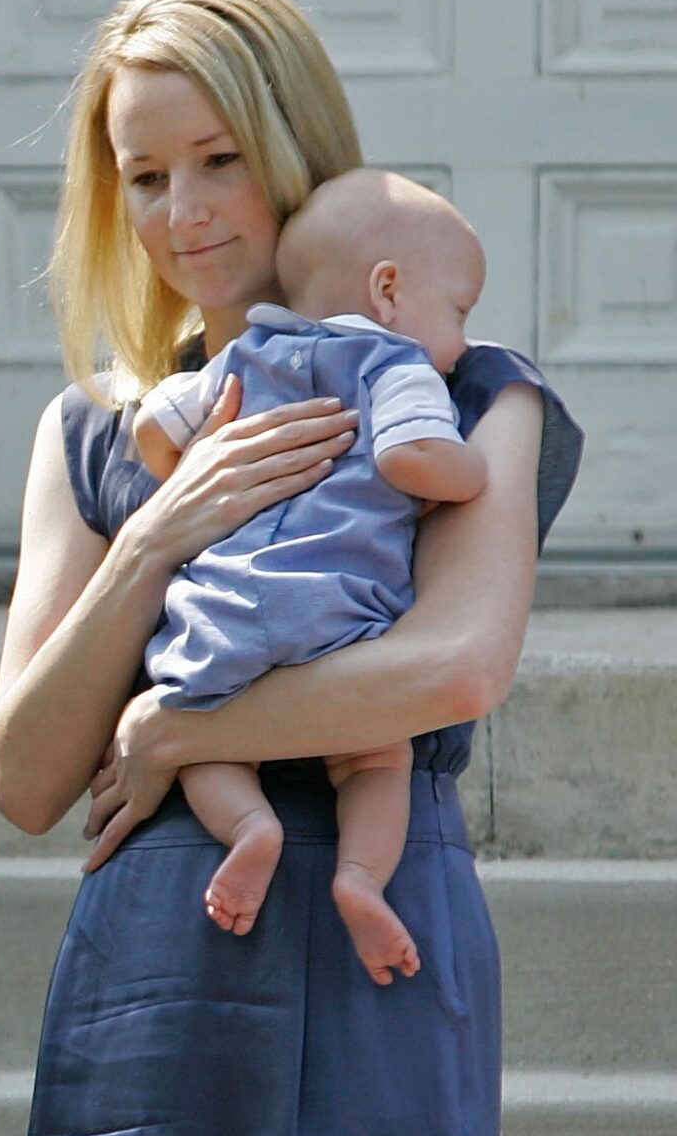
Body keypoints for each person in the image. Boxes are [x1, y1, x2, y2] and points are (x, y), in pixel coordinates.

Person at [0, 0, 578, 1136]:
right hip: (153, 978)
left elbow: (453, 669)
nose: (183, 215)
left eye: (217, 160)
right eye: (142, 177)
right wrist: (160, 527)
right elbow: (22, 766)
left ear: (295, 147)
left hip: (368, 953)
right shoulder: (100, 432)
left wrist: (164, 733)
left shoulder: (469, 390)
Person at [134, 169, 492, 984]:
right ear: (389, 290)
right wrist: (472, 472)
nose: (464, 343)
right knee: (377, 760)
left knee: (203, 747)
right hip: (334, 620)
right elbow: (411, 457)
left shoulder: (243, 353)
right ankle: (359, 878)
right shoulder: (394, 363)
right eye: (460, 311)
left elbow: (156, 432)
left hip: (220, 610)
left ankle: (250, 831)